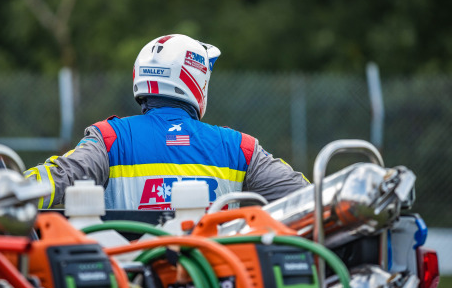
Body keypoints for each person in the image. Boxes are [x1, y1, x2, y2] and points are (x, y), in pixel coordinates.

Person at [25, 34, 309, 210]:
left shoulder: (109, 138)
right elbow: (308, 200)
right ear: (197, 80)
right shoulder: (240, 148)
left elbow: (52, 180)